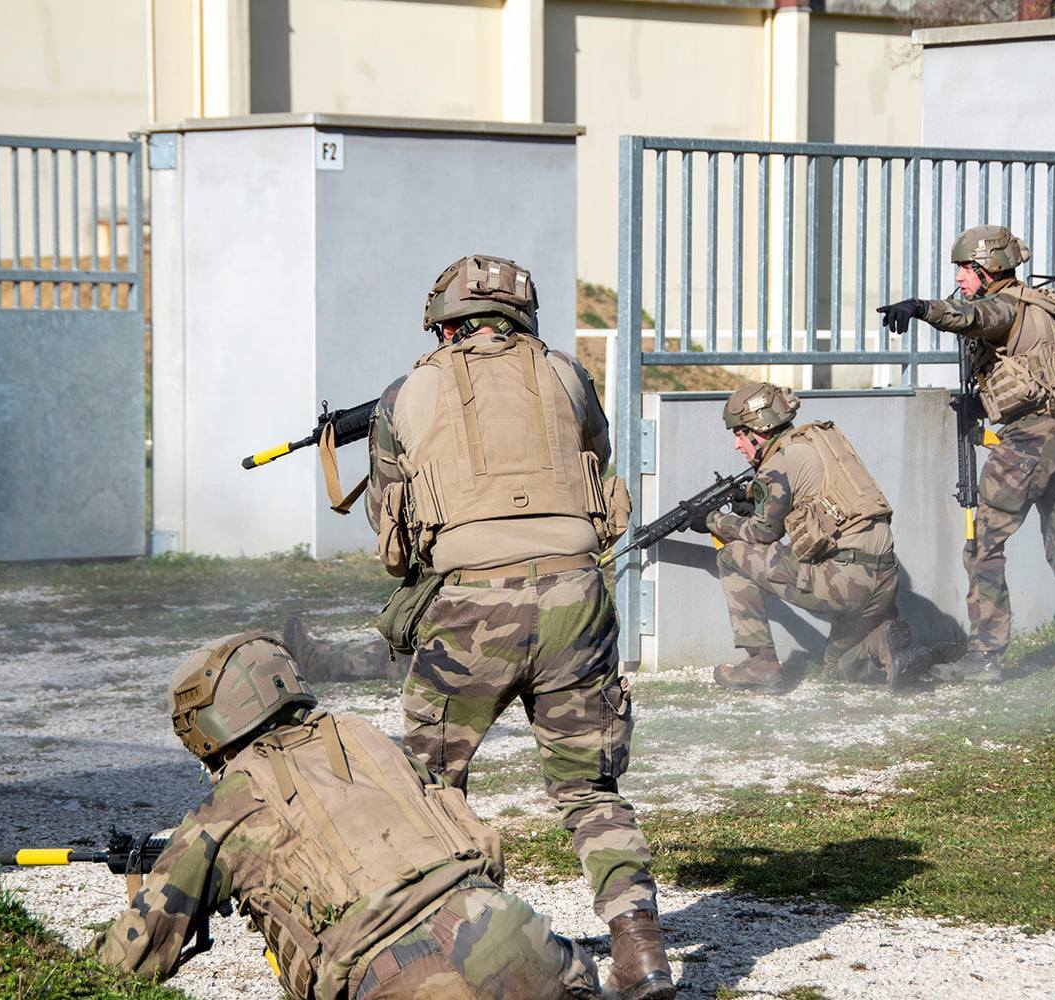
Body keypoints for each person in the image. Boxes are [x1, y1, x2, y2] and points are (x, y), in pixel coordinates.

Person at [365, 255, 674, 1000]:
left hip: (472, 607)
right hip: (579, 596)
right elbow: (595, 461)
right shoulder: (568, 376)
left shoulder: (408, 390)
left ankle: (461, 950)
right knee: (590, 791)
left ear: (444, 321)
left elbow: (392, 536)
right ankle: (640, 950)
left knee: (433, 792)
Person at [89, 631, 603, 999]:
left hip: (402, 975)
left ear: (203, 728)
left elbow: (131, 956)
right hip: (515, 931)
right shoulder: (365, 737)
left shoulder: (228, 804)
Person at [878, 224, 1055, 684]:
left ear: (988, 268)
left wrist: (921, 308)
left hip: (1031, 442)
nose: (960, 277)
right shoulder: (1041, 306)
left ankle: (985, 657)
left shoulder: (1005, 306)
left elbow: (971, 318)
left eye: (965, 269)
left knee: (984, 547)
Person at [702, 381, 915, 693]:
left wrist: (712, 520)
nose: (737, 445)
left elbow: (762, 532)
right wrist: (751, 492)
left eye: (739, 433)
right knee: (836, 665)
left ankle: (760, 664)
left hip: (845, 584)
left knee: (732, 556)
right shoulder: (821, 440)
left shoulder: (779, 463)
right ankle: (881, 642)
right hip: (885, 580)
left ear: (758, 428)